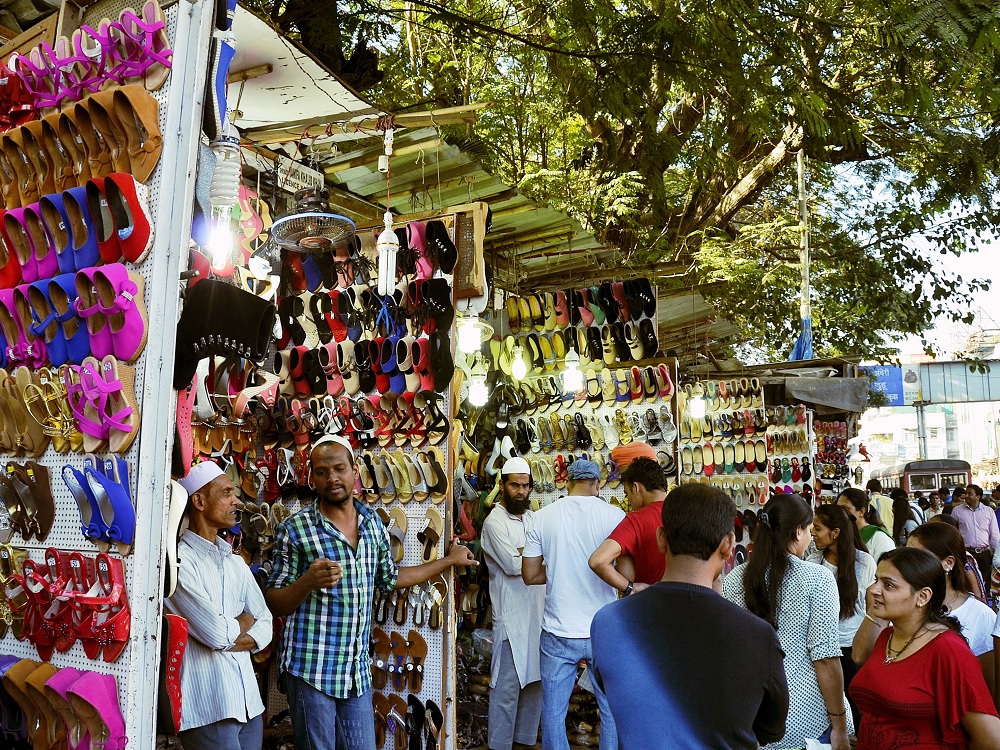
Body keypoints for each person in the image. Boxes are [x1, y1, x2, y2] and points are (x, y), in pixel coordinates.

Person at [264, 435, 477, 750]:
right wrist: (307, 581)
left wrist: (447, 561)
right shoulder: (296, 529)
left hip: (355, 671)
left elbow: (390, 578)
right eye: (321, 471)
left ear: (354, 472)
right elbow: (275, 603)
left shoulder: (372, 526)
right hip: (311, 668)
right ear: (312, 477)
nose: (332, 478)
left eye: (339, 469)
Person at [591, 484, 789, 749]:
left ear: (661, 538)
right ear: (729, 545)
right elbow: (771, 730)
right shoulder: (758, 636)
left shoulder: (608, 622)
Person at [723, 494, 852, 750]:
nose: (810, 537)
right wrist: (839, 724)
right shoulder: (818, 578)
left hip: (755, 720)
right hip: (808, 720)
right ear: (797, 532)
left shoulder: (734, 578)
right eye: (809, 529)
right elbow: (825, 658)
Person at [165, 461, 273, 750]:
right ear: (199, 501)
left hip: (249, 702)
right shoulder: (178, 563)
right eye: (226, 493)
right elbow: (216, 634)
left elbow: (266, 623)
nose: (235, 500)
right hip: (208, 704)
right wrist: (244, 623)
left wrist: (232, 633)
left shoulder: (236, 562)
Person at [849, 547, 1000, 749]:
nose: (874, 589)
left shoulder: (948, 650)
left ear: (922, 597)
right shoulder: (887, 637)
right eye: (876, 580)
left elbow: (990, 739)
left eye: (888, 585)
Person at [522, 459, 625, 750]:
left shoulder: (542, 517)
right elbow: (624, 571)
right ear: (598, 483)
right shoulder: (615, 516)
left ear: (566, 483)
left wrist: (555, 570)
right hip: (602, 629)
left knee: (553, 712)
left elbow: (529, 575)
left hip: (559, 629)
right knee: (610, 712)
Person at [481, 457, 546, 750]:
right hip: (511, 616)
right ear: (503, 485)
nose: (521, 491)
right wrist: (533, 556)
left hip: (538, 614)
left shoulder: (532, 519)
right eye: (515, 485)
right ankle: (499, 746)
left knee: (534, 684)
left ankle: (524, 743)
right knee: (506, 689)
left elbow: (541, 556)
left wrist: (527, 555)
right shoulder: (494, 523)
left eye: (525, 485)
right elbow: (511, 564)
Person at [805, 503, 876, 729]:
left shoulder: (864, 562)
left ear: (835, 533)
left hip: (853, 647)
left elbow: (870, 606)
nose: (812, 533)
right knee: (829, 705)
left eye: (817, 528)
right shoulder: (813, 562)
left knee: (858, 706)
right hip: (823, 647)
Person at [588, 457, 668, 591]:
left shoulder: (635, 520)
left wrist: (630, 587)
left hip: (650, 603)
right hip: (690, 603)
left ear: (636, 488)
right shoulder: (689, 512)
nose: (628, 500)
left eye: (627, 494)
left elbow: (597, 561)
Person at [952, 483, 999, 595]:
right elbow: (953, 533)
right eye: (966, 493)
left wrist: (995, 555)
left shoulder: (988, 511)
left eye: (970, 494)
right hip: (966, 553)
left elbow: (994, 535)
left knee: (983, 584)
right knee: (968, 584)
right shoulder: (957, 511)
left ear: (978, 497)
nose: (966, 496)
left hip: (984, 554)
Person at [837, 487, 895, 564]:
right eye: (838, 509)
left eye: (846, 509)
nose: (840, 513)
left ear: (861, 511)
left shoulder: (879, 538)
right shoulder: (840, 534)